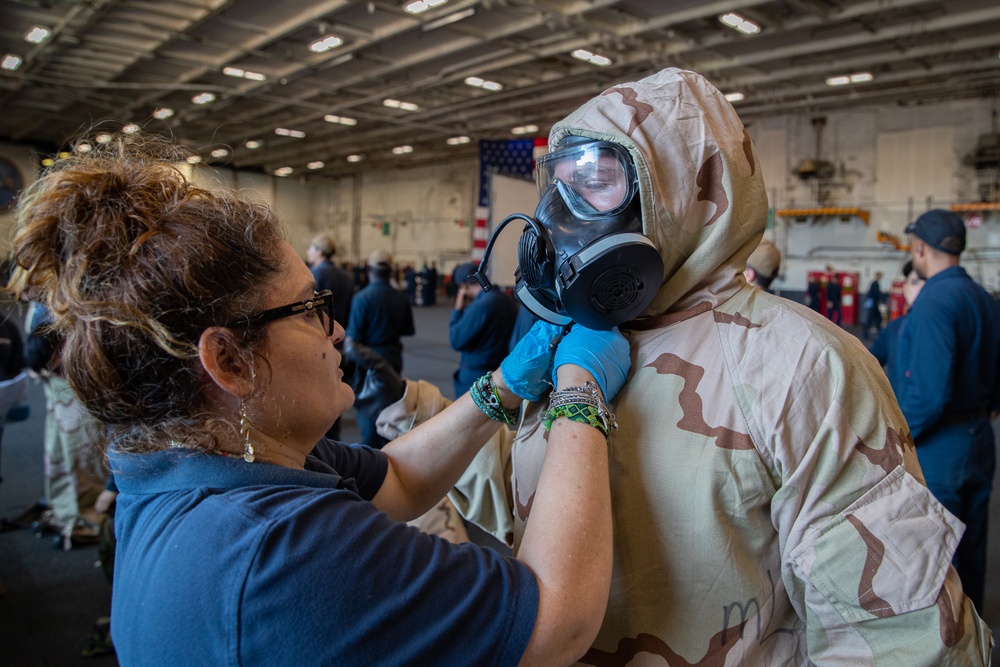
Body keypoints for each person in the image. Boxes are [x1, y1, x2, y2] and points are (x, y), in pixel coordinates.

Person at [378, 68, 992, 664]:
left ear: (681, 193)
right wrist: (428, 413)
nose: (559, 216)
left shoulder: (802, 367)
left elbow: (897, 639)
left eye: (595, 183)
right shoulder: (576, 340)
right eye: (558, 185)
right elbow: (525, 506)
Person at [5, 135, 632, 667]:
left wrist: (499, 389)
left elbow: (400, 479)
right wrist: (579, 392)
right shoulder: (278, 551)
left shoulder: (204, 458)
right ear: (227, 360)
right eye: (310, 310)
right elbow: (558, 619)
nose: (335, 330)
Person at [896, 208, 1000, 612]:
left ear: (920, 248)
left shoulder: (933, 303)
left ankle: (948, 636)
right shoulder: (984, 299)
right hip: (980, 438)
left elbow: (929, 395)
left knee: (940, 546)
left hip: (942, 444)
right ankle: (971, 623)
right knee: (972, 541)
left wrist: (897, 438)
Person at [346, 249, 416, 447]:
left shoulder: (362, 298)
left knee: (369, 408)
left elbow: (353, 339)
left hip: (367, 360)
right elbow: (408, 330)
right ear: (391, 271)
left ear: (368, 270)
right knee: (392, 405)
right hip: (393, 356)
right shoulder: (400, 298)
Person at [449, 261, 518, 398]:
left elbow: (456, 339)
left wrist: (457, 310)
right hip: (500, 372)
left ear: (464, 286)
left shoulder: (481, 306)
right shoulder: (506, 300)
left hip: (476, 376)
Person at [869, 260, 924, 395]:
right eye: (915, 282)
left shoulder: (951, 328)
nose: (922, 289)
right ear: (905, 289)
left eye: (929, 282)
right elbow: (867, 366)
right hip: (899, 413)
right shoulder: (893, 329)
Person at [306, 233, 353, 329]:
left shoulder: (315, 274)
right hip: (339, 331)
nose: (308, 252)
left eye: (310, 248)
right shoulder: (346, 275)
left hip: (320, 331)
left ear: (319, 252)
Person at [862, 270, 885, 340]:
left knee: (877, 319)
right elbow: (876, 294)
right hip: (874, 305)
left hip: (873, 304)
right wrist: (883, 299)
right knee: (871, 319)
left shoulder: (874, 283)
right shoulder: (875, 284)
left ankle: (878, 333)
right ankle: (866, 334)